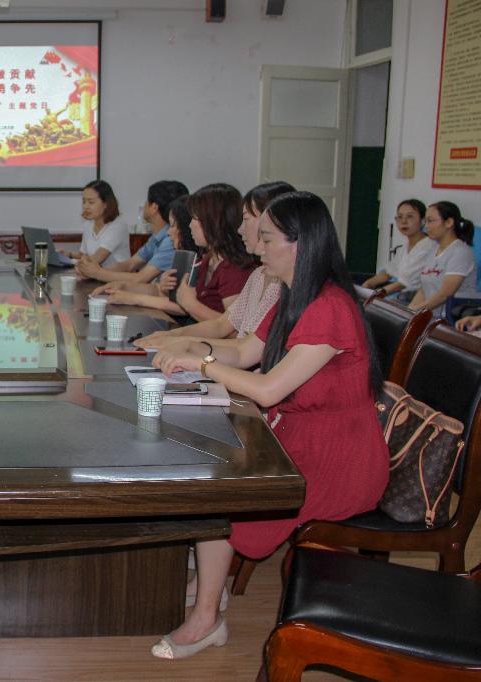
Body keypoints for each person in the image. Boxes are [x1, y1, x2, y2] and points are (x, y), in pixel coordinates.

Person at [151, 191, 388, 660]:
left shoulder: (330, 307)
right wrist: (194, 350)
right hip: (299, 436)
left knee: (222, 492)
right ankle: (210, 592)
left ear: (301, 244)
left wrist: (202, 366)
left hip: (337, 458)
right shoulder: (294, 295)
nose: (257, 248)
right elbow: (244, 352)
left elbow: (268, 389)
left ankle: (206, 619)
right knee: (211, 469)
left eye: (267, 238)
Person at [136, 181, 294, 351]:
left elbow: (242, 345)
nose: (240, 229)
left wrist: (183, 339)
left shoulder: (248, 273)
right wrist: (171, 336)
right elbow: (222, 325)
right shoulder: (258, 275)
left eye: (246, 219)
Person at [94, 183, 256, 321]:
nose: (190, 225)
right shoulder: (206, 260)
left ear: (214, 222)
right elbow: (169, 295)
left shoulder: (233, 268)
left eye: (195, 219)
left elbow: (231, 329)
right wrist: (126, 287)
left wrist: (135, 298)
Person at [75, 179, 189, 284]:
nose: (144, 204)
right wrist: (95, 272)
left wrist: (97, 273)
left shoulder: (170, 240)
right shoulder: (157, 236)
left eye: (147, 200)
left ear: (154, 207)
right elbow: (130, 264)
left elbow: (141, 278)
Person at [409, 200, 477, 318]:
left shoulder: (461, 252)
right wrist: (408, 311)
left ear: (449, 222)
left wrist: (415, 311)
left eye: (430, 221)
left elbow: (445, 294)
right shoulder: (433, 250)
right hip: (429, 316)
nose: (426, 226)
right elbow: (424, 289)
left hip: (451, 320)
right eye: (425, 221)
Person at [361, 199, 435, 301]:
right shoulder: (405, 247)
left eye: (410, 216)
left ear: (423, 220)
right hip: (398, 295)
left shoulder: (428, 246)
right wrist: (368, 284)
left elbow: (404, 283)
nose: (403, 221)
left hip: (413, 299)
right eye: (400, 217)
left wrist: (374, 295)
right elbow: (388, 272)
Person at [61, 180, 130, 265]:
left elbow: (96, 259)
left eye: (91, 202)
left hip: (116, 273)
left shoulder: (118, 225)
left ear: (106, 204)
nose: (85, 206)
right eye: (84, 201)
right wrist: (69, 254)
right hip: (96, 273)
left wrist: (70, 262)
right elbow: (83, 255)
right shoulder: (88, 224)